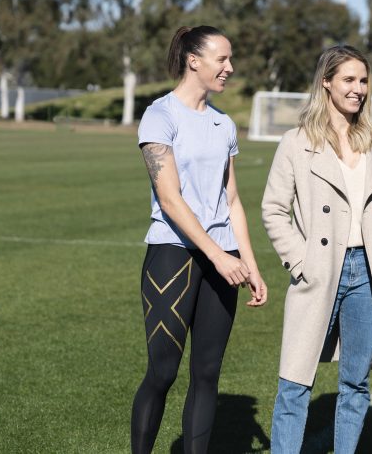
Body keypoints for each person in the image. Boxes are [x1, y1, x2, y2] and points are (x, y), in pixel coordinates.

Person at [262, 45, 372, 454]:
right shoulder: (295, 142)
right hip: (320, 269)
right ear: (325, 81)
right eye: (349, 79)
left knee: (356, 382)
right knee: (294, 381)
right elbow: (274, 208)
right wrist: (300, 260)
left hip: (370, 271)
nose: (358, 89)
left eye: (363, 81)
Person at [131, 25, 268, 454]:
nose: (230, 68)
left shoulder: (223, 123)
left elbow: (232, 199)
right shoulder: (160, 115)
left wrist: (248, 262)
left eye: (230, 60)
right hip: (173, 255)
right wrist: (216, 255)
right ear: (194, 60)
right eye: (222, 59)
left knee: (207, 372)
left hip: (223, 257)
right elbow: (170, 200)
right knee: (163, 372)